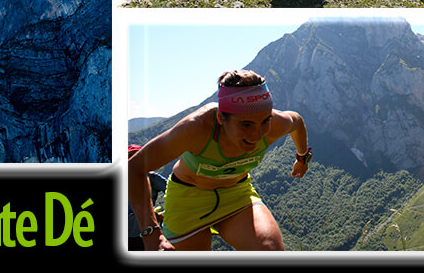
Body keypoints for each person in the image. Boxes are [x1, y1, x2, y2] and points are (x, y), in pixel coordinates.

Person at [128, 70, 310, 251]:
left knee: (270, 250)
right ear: (221, 117)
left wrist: (302, 159)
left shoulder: (277, 124)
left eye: (265, 121)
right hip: (187, 202)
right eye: (246, 124)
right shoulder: (196, 128)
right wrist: (152, 234)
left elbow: (297, 122)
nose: (257, 135)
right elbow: (134, 169)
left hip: (237, 195)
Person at [128, 144, 168, 251]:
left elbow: (173, 191)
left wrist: (166, 213)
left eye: (136, 157)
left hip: (146, 232)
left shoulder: (152, 177)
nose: (133, 160)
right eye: (130, 157)